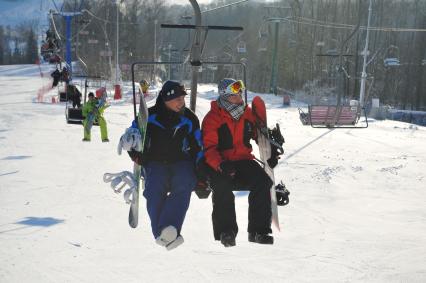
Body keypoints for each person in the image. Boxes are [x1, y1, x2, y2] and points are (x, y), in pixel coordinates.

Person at [118, 80, 203, 250]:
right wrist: (135, 155)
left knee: (184, 183)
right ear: (166, 99)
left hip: (182, 161)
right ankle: (164, 233)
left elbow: (198, 145)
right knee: (155, 188)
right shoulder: (150, 116)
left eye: (183, 99)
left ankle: (164, 232)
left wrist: (202, 169)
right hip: (155, 162)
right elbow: (132, 137)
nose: (182, 102)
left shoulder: (189, 118)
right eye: (177, 99)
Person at [201, 78, 278, 247]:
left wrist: (270, 150)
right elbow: (209, 148)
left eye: (240, 93)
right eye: (235, 94)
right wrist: (220, 164)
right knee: (221, 186)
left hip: (243, 160)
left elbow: (259, 136)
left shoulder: (247, 113)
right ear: (226, 96)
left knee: (263, 181)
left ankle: (258, 230)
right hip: (221, 162)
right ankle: (226, 231)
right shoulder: (213, 118)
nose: (240, 97)